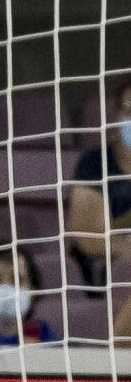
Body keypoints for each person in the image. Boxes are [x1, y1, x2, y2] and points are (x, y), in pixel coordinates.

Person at [68, 78, 131, 285]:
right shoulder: (94, 164)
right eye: (129, 112)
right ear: (118, 116)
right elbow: (89, 238)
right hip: (103, 274)